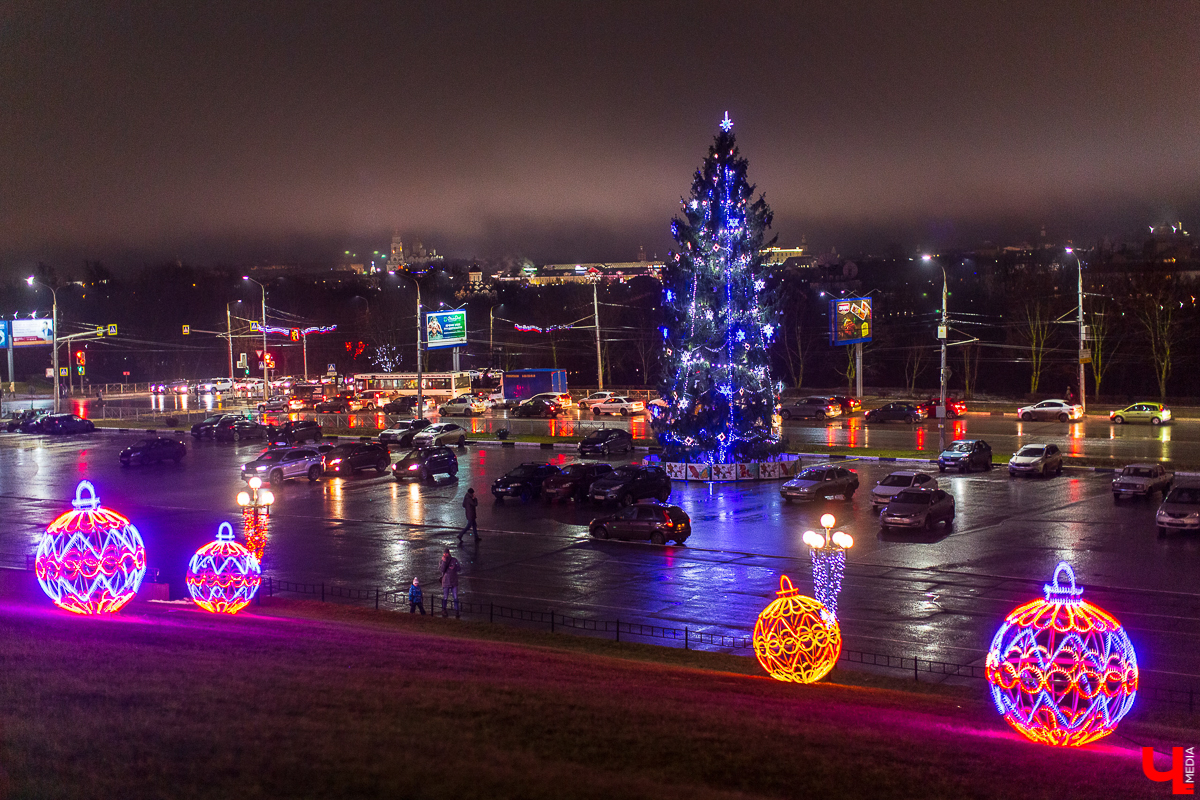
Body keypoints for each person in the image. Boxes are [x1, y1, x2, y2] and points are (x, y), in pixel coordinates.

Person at [439, 547, 461, 618]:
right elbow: (442, 570)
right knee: (445, 597)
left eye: (447, 553)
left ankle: (457, 610)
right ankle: (444, 609)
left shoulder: (454, 560)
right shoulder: (441, 561)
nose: (446, 555)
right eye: (445, 553)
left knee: (455, 597)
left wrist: (454, 567)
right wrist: (444, 562)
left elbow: (459, 568)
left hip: (454, 582)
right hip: (446, 582)